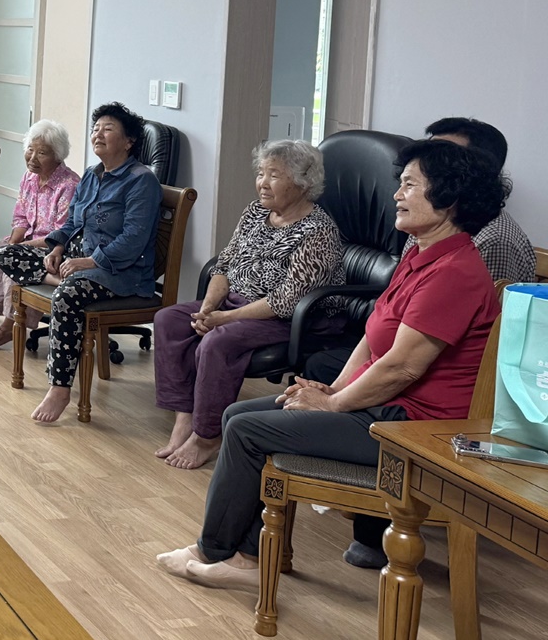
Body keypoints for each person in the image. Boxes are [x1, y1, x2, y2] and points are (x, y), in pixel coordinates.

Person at [156, 140, 507, 591]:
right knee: (237, 414)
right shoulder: (419, 254)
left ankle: (216, 552)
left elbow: (401, 368)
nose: (397, 195)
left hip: (414, 429)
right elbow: (372, 337)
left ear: (449, 198)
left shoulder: (455, 272)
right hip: (385, 408)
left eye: (410, 185)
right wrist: (330, 390)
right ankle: (242, 554)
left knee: (246, 430)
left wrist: (334, 405)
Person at [302, 116, 534, 568]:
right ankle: (368, 521)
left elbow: (458, 353)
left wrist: (335, 402)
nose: (404, 187)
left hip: (451, 395)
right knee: (326, 369)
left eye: (442, 159)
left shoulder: (486, 244)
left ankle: (375, 511)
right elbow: (389, 328)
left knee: (347, 383)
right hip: (413, 364)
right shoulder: (424, 238)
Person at [153, 140, 346, 469]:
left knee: (217, 341)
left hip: (290, 320)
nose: (263, 183)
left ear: (303, 183)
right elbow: (224, 265)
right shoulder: (255, 212)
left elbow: (287, 301)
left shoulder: (318, 231)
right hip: (236, 304)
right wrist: (208, 308)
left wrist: (223, 319)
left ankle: (207, 436)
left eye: (274, 175)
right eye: (260, 173)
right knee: (168, 319)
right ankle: (184, 419)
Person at [0, 102, 160, 424]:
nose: (98, 134)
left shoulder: (141, 181)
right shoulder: (92, 175)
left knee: (68, 295)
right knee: (7, 253)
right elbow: (72, 222)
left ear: (129, 141)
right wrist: (57, 247)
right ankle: (59, 278)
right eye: (95, 128)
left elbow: (133, 239)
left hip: (121, 273)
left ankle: (59, 388)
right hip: (79, 261)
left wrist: (89, 262)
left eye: (108, 129)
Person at [0, 120, 80, 349]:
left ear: (57, 156)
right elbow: (21, 216)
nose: (32, 158)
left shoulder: (69, 185)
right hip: (27, 240)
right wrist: (14, 241)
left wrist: (18, 248)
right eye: (30, 150)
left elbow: (63, 232)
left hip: (53, 248)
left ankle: (10, 327)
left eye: (41, 153)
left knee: (13, 263)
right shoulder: (29, 177)